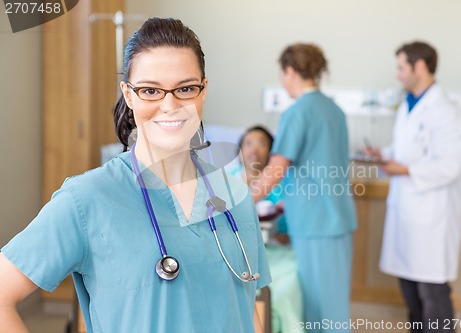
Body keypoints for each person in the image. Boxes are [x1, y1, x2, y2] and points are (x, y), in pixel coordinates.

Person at [0, 18, 271, 333]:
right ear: (129, 95)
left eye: (185, 88)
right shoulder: (86, 200)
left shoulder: (234, 195)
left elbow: (247, 311)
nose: (170, 105)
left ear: (203, 91)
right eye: (150, 90)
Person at [251, 43, 357, 332]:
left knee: (320, 311)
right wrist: (291, 200)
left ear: (289, 71)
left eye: (282, 74)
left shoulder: (298, 112)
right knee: (333, 305)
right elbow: (321, 167)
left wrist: (240, 200)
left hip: (316, 223)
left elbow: (275, 169)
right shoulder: (334, 110)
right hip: (336, 218)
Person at [366, 41, 461, 332]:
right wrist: (383, 155)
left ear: (419, 66)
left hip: (432, 216)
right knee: (411, 292)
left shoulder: (446, 111)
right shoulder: (409, 104)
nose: (397, 75)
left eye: (401, 68)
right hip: (408, 211)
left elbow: (451, 166)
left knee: (431, 293)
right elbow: (407, 149)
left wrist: (405, 169)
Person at [232, 125, 288, 243]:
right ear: (240, 150)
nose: (254, 150)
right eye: (248, 143)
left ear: (271, 152)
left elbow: (287, 231)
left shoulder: (282, 186)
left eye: (261, 144)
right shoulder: (224, 181)